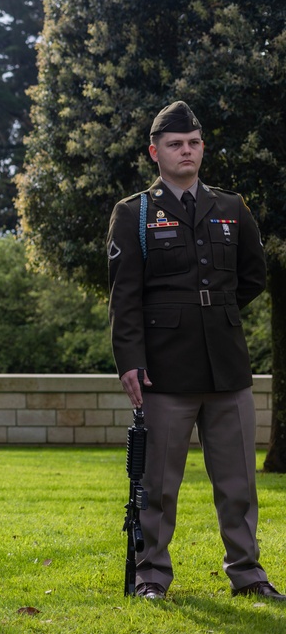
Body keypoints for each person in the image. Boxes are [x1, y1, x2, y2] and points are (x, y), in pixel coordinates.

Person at [107, 101, 281, 601]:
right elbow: (125, 297)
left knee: (239, 485)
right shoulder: (135, 213)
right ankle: (151, 578)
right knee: (158, 486)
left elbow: (252, 277)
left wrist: (216, 312)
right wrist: (130, 362)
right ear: (155, 152)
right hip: (164, 370)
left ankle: (248, 575)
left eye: (194, 143)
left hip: (227, 368)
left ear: (202, 147)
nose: (187, 151)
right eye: (175, 144)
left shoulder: (231, 207)